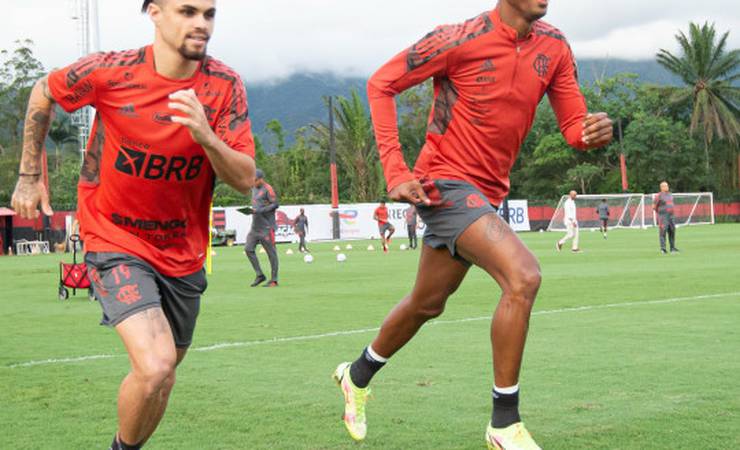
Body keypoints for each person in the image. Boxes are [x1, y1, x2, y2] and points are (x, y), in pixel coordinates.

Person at [332, 2, 613, 448]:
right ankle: (504, 422)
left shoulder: (555, 47)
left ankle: (357, 373)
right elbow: (381, 83)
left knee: (428, 302)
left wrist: (591, 132)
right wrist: (395, 170)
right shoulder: (458, 38)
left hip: (487, 195)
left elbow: (573, 126)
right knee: (523, 276)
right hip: (443, 184)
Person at [10, 1, 256, 448]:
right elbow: (44, 90)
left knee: (162, 377)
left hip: (182, 252)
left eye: (209, 13)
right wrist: (29, 175)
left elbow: (244, 179)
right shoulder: (111, 71)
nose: (201, 23)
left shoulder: (224, 86)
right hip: (113, 236)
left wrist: (206, 134)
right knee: (157, 363)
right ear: (155, 13)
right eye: (187, 11)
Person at [245, 169, 279, 287]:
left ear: (261, 179)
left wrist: (259, 210)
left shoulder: (268, 189)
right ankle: (260, 275)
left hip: (267, 227)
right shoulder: (253, 188)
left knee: (271, 254)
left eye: (255, 180)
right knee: (248, 249)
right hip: (255, 227)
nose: (253, 183)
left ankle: (274, 280)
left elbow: (275, 204)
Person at [653, 181, 679, 254]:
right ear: (661, 187)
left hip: (671, 216)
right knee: (663, 232)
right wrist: (661, 213)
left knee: (672, 231)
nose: (667, 187)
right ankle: (663, 249)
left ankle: (672, 248)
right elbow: (654, 206)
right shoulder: (659, 196)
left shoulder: (670, 195)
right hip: (663, 217)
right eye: (665, 186)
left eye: (667, 185)